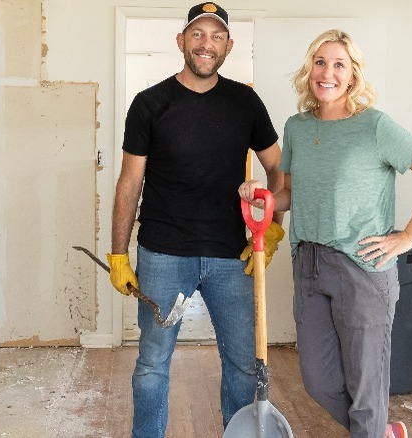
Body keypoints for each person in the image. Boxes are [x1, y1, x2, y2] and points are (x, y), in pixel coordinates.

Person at [239, 29, 412, 438]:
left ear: (353, 74)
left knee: (366, 389)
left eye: (340, 64)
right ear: (309, 70)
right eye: (320, 62)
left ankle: (374, 431)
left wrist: (408, 236)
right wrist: (263, 197)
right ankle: (382, 433)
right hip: (309, 264)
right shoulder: (298, 127)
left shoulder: (375, 126)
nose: (328, 73)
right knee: (318, 381)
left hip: (361, 267)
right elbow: (293, 195)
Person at [107, 3, 284, 437]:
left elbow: (278, 169)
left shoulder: (245, 101)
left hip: (230, 255)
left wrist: (274, 220)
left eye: (216, 36)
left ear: (228, 46)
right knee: (152, 361)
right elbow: (129, 183)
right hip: (164, 254)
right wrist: (117, 254)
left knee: (244, 363)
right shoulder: (150, 104)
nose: (207, 44)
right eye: (198, 34)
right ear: (182, 41)